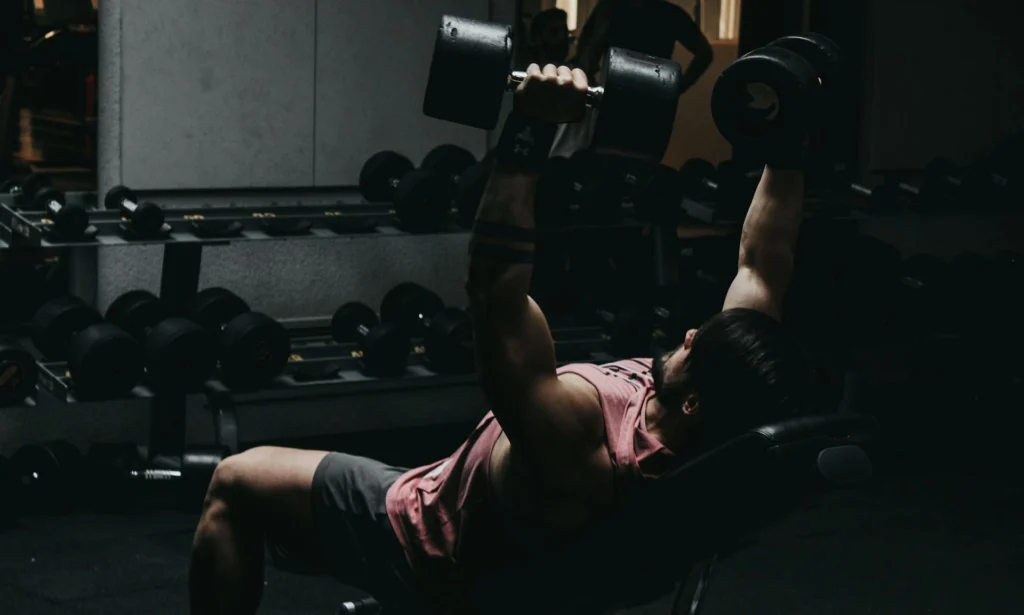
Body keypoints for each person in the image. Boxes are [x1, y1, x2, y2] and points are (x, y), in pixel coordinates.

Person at [188, 63, 811, 615]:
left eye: (694, 347)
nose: (691, 332)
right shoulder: (731, 424)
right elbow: (762, 263)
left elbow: (493, 293)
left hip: (429, 545)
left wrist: (529, 132)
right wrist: (787, 141)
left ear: (695, 401)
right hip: (532, 566)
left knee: (236, 481)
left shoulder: (579, 438)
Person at [549, 0, 713, 160]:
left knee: (641, 164)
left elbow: (705, 53)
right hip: (614, 103)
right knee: (606, 162)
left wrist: (678, 87)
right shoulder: (609, 9)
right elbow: (588, 52)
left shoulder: (669, 13)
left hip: (650, 106)